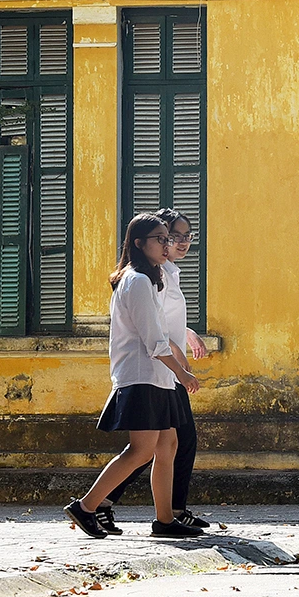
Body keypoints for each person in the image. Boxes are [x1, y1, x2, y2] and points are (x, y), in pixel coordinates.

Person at [65, 214, 203, 539]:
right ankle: (86, 506)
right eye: (160, 238)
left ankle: (165, 519)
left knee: (168, 444)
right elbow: (154, 341)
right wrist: (182, 372)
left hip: (156, 378)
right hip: (142, 377)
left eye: (167, 238)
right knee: (141, 451)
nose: (167, 244)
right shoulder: (137, 281)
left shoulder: (148, 279)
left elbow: (161, 334)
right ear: (139, 243)